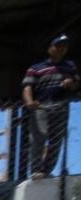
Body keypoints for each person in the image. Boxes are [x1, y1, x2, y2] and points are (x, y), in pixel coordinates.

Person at [23, 35, 77, 178]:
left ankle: (46, 171)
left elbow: (75, 84)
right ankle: (35, 170)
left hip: (61, 106)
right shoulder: (35, 68)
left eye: (64, 47)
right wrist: (29, 102)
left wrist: (71, 83)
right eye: (58, 46)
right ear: (50, 49)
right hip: (41, 106)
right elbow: (27, 87)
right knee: (38, 137)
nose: (61, 49)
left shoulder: (70, 66)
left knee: (56, 140)